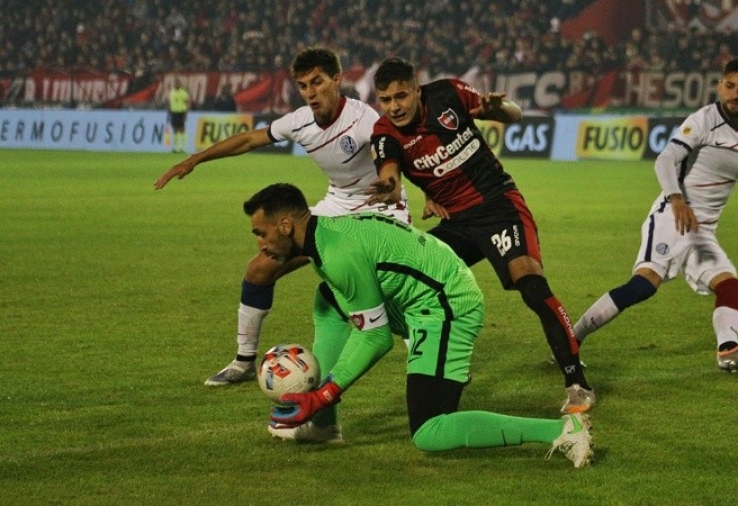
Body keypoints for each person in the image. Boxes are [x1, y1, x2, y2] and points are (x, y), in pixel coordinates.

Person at [154, 48, 409, 443]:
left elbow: (394, 158)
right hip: (334, 208)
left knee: (357, 297)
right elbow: (249, 139)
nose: (310, 92)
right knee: (259, 268)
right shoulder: (300, 121)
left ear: (338, 79)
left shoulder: (364, 120)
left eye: (318, 82)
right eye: (303, 85)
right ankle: (242, 362)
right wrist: (196, 159)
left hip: (378, 212)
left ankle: (418, 344)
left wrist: (397, 187)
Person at [248, 183, 594, 468]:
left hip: (446, 305)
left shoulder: (338, 256)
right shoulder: (327, 235)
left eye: (260, 233)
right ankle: (324, 426)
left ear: (285, 225)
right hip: (421, 295)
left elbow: (375, 338)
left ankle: (564, 430)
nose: (260, 244)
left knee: (430, 430)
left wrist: (323, 394)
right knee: (328, 302)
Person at [365, 57, 593, 415]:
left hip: (499, 205)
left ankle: (577, 383)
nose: (394, 106)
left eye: (401, 96)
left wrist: (497, 108)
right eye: (385, 99)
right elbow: (390, 174)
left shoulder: (447, 94)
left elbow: (513, 116)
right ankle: (449, 364)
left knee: (531, 285)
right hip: (457, 222)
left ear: (417, 89)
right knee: (410, 283)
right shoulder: (384, 134)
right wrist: (390, 188)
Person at [572, 58, 738, 373]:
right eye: (729, 86)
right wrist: (677, 199)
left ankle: (728, 351)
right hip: (673, 215)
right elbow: (666, 159)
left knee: (730, 287)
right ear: (719, 85)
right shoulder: (703, 120)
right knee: (643, 285)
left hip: (702, 230)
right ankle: (571, 340)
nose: (735, 94)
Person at [167, 78, 191, 153]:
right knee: (175, 130)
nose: (177, 84)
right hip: (174, 112)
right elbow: (170, 102)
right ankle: (176, 148)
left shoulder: (183, 93)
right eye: (176, 83)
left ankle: (183, 148)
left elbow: (187, 103)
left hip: (181, 112)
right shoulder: (172, 92)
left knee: (182, 129)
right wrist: (169, 111)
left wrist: (186, 114)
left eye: (178, 83)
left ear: (180, 84)